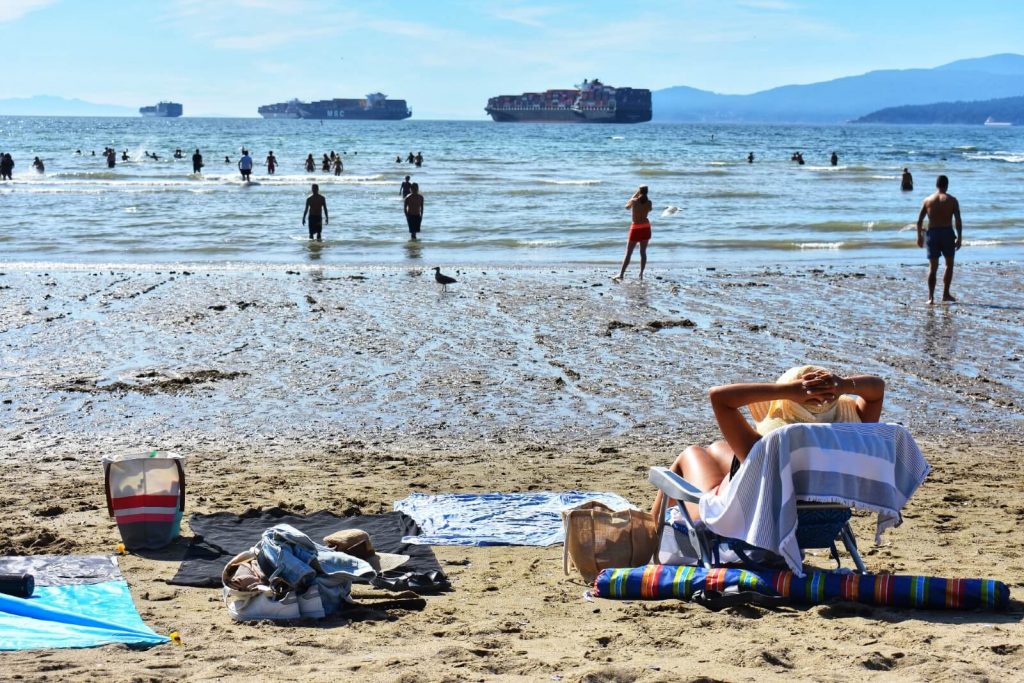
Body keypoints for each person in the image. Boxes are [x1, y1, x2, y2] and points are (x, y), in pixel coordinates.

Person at [651, 365, 885, 520]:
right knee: (716, 448)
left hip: (739, 518)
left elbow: (719, 396)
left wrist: (786, 391)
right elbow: (877, 388)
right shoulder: (849, 441)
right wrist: (842, 384)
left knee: (691, 453)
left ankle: (651, 533)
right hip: (813, 516)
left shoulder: (763, 446)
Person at [916, 174, 963, 305]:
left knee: (933, 267)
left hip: (933, 234)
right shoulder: (952, 200)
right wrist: (959, 237)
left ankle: (930, 297)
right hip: (947, 233)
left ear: (936, 185)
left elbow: (919, 221)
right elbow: (958, 220)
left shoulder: (927, 200)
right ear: (947, 185)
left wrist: (919, 237)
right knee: (949, 265)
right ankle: (945, 294)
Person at [613, 185, 652, 281]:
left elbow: (626, 206)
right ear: (647, 192)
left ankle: (621, 274)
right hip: (646, 227)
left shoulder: (634, 201)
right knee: (643, 252)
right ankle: (641, 274)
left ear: (639, 191)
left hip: (636, 228)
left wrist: (635, 194)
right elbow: (649, 210)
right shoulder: (649, 202)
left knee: (628, 252)